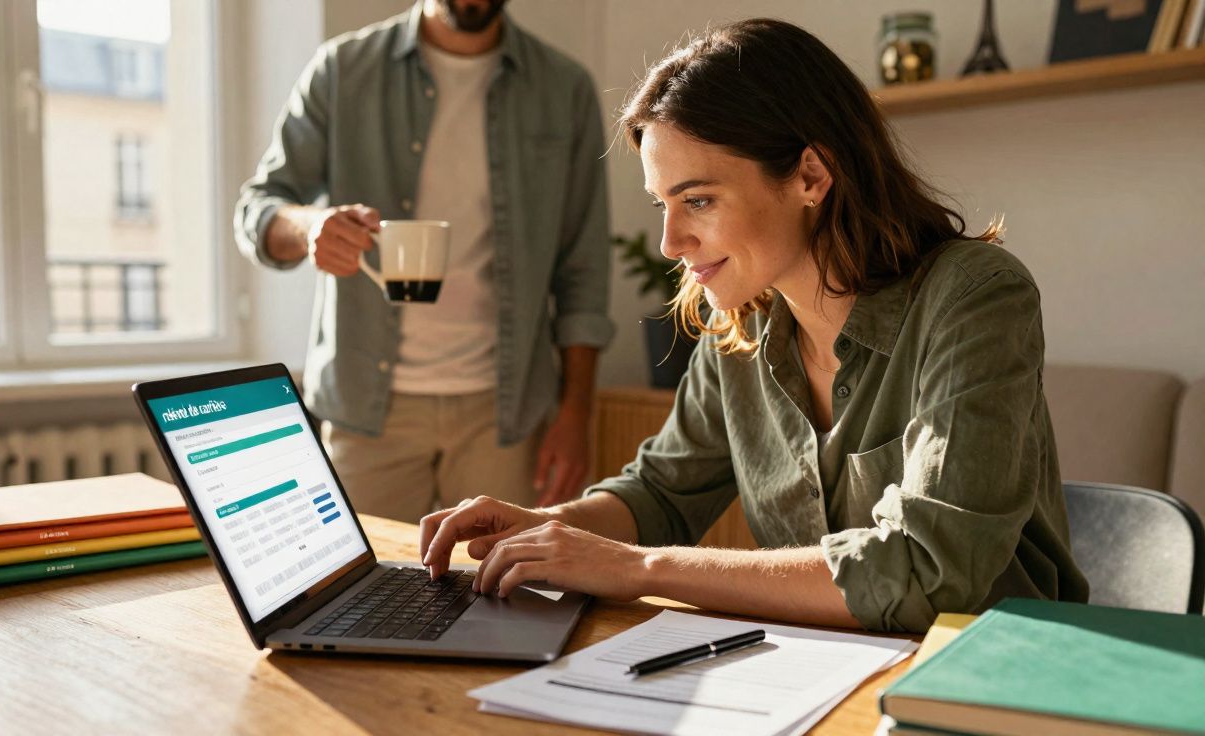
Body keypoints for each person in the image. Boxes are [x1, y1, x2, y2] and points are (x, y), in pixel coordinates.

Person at [418, 18, 1089, 633]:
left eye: (698, 200)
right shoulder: (742, 327)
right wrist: (546, 528)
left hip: (998, 683)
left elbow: (931, 572)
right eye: (663, 204)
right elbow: (660, 493)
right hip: (826, 676)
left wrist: (637, 568)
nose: (669, 241)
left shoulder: (974, 297)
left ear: (810, 175)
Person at [234, 0, 613, 523]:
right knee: (357, 596)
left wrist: (576, 413)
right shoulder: (342, 69)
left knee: (512, 592)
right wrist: (310, 227)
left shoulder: (564, 88)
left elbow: (584, 266)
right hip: (367, 409)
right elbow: (258, 208)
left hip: (507, 413)